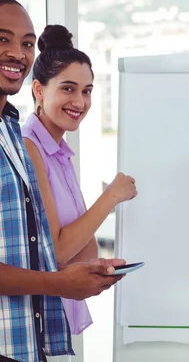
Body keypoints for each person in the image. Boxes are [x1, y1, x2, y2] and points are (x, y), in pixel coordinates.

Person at [0, 0, 126, 362]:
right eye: (2, 38)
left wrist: (77, 273)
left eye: (27, 43)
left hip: (12, 345)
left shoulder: (4, 126)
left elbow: (31, 246)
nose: (18, 53)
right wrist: (57, 283)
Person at [21, 24, 138, 335]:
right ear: (38, 90)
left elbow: (84, 247)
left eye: (86, 91)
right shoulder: (29, 146)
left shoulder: (59, 151)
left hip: (58, 313)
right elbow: (58, 251)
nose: (80, 102)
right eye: (68, 88)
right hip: (34, 318)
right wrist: (111, 196)